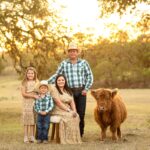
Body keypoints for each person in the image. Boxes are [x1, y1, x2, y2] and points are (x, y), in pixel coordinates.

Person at [48, 42, 93, 137]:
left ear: (77, 52)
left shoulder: (84, 63)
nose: (72, 53)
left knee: (81, 113)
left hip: (81, 91)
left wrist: (86, 88)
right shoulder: (64, 64)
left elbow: (90, 76)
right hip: (69, 92)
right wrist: (45, 83)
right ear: (68, 53)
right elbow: (57, 75)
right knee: (70, 112)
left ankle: (80, 134)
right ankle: (70, 133)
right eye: (70, 51)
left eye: (74, 51)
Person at [51, 74, 81, 144]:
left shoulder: (68, 90)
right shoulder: (54, 89)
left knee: (76, 116)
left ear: (65, 81)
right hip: (57, 109)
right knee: (69, 116)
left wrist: (74, 111)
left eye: (62, 80)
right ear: (56, 81)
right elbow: (58, 102)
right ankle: (66, 139)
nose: (61, 81)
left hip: (68, 109)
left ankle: (74, 139)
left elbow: (72, 102)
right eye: (59, 80)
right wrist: (69, 110)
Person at [21, 67, 39, 143]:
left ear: (34, 74)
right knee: (27, 120)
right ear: (26, 74)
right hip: (27, 103)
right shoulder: (24, 83)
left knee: (33, 119)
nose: (30, 74)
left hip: (35, 103)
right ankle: (25, 136)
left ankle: (31, 136)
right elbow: (23, 94)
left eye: (32, 73)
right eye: (29, 73)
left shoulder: (37, 82)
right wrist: (33, 96)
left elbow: (40, 91)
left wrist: (38, 96)